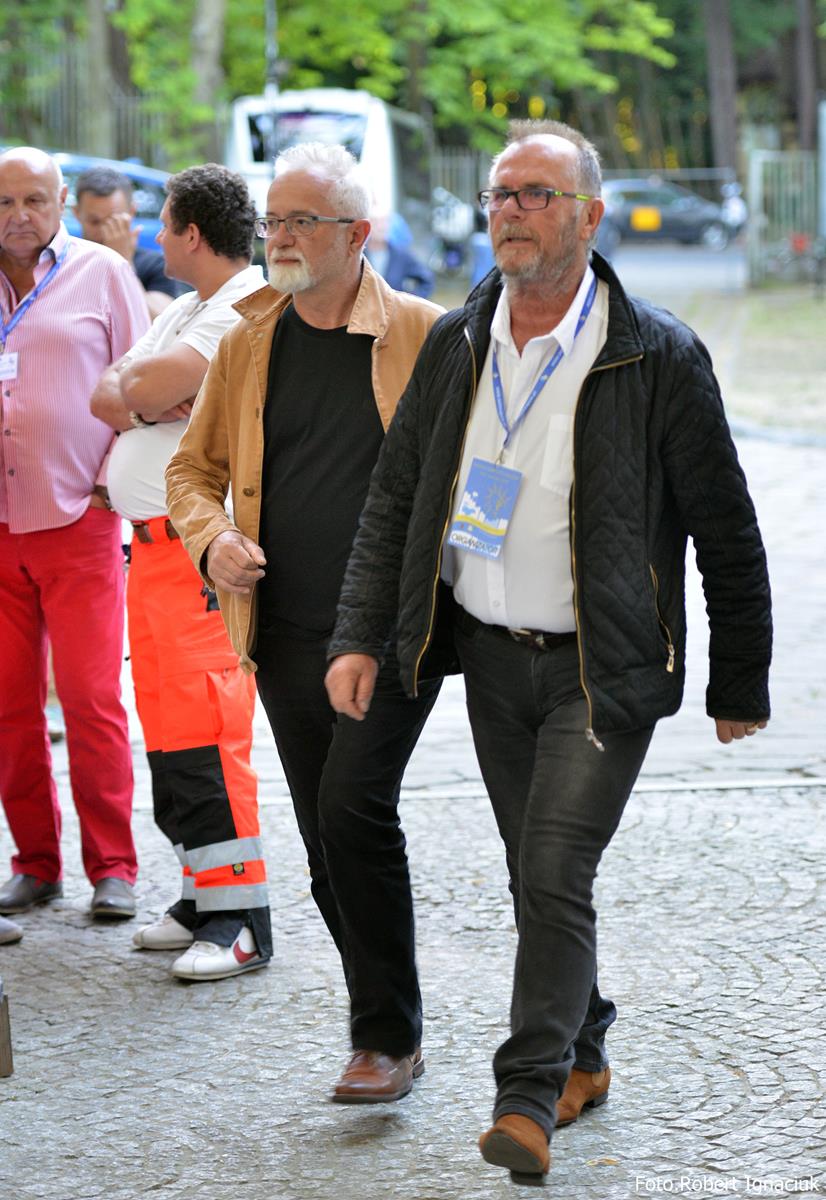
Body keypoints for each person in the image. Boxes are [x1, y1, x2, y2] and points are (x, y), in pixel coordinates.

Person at [325, 120, 772, 1185]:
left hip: (601, 670)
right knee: (537, 875)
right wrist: (359, 636)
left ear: (589, 215)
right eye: (499, 195)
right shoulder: (457, 342)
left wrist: (740, 677)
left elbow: (725, 524)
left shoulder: (655, 353)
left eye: (536, 193)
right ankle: (587, 1048)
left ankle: (525, 1097)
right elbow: (395, 502)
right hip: (490, 657)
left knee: (556, 865)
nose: (511, 212)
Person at [165, 144, 444, 1092]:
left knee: (353, 810)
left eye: (301, 222)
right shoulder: (247, 341)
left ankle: (385, 1040)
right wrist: (212, 541)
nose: (278, 237)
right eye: (272, 221)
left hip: (393, 630)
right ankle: (387, 1021)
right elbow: (191, 471)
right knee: (328, 844)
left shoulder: (424, 333)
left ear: (357, 234)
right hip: (282, 630)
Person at [89, 164, 271, 982]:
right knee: (169, 731)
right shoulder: (187, 309)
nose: (154, 236)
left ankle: (241, 918)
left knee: (209, 727)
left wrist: (140, 395)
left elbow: (135, 386)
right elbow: (107, 392)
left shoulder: (238, 307)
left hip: (198, 552)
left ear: (193, 233)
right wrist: (143, 398)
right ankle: (202, 892)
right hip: (155, 553)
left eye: (163, 223)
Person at [0, 147, 149, 922]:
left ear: (60, 201)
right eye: (4, 202)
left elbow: (143, 385)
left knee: (91, 700)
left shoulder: (103, 273)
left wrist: (110, 483)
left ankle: (113, 866)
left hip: (77, 520)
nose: (19, 215)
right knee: (8, 706)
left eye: (33, 199)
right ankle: (35, 863)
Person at [74, 166, 178, 320]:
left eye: (113, 221)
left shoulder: (155, 265)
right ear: (76, 213)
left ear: (132, 211)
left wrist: (124, 263)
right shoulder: (63, 262)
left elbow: (162, 320)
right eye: (94, 222)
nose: (104, 231)